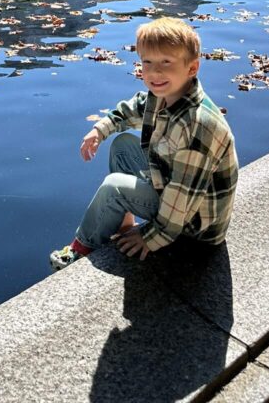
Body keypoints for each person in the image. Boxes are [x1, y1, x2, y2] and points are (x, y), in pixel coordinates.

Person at [49, 17, 238, 269]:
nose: (154, 72)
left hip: (195, 229)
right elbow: (130, 111)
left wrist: (151, 238)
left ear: (192, 68)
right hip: (178, 195)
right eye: (147, 62)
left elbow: (182, 199)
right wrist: (99, 130)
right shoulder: (165, 95)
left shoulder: (198, 126)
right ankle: (123, 224)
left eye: (166, 62)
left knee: (114, 187)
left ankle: (81, 248)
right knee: (123, 145)